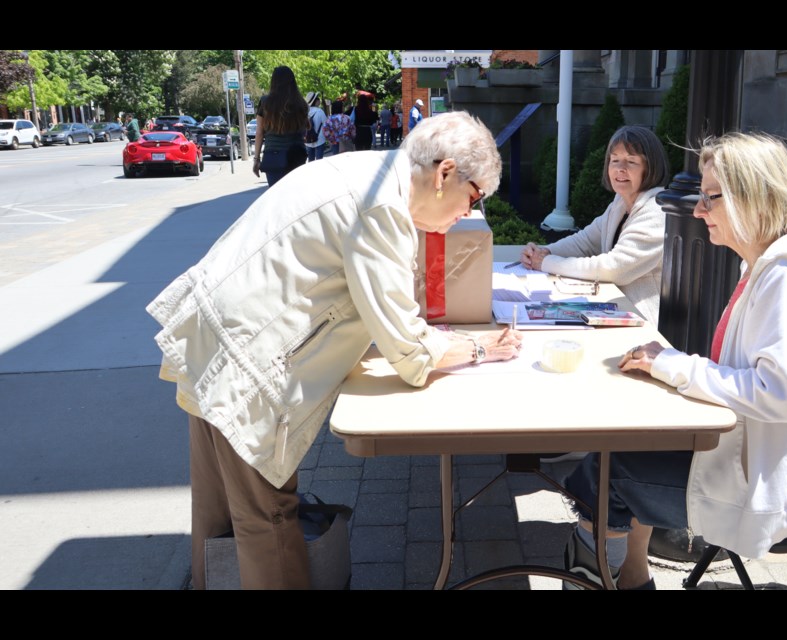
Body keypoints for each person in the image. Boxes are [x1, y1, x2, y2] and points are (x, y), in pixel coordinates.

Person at [146, 111, 521, 590]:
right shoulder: (383, 205)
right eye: (473, 198)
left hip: (213, 340)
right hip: (247, 363)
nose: (467, 214)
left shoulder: (367, 170)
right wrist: (477, 348)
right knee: (268, 519)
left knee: (220, 507)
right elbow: (409, 352)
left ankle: (206, 583)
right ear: (445, 173)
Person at [561, 131, 787, 590]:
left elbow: (775, 395)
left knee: (603, 472)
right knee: (629, 445)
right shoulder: (766, 267)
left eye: (710, 198)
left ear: (753, 199)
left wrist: (674, 365)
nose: (697, 211)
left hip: (776, 488)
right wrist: (670, 361)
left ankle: (593, 580)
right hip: (755, 456)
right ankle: (632, 579)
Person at [520, 126, 669, 323]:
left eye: (631, 161)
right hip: (612, 308)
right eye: (614, 160)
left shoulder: (656, 210)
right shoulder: (620, 202)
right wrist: (544, 251)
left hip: (641, 321)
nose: (620, 168)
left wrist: (547, 263)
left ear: (650, 168)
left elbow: (615, 268)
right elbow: (585, 241)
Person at [253, 66, 308, 187]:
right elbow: (304, 130)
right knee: (295, 197)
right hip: (296, 156)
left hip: (274, 157)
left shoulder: (265, 102)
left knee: (276, 198)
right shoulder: (300, 103)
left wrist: (256, 159)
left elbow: (259, 132)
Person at [304, 91, 327, 162]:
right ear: (315, 101)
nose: (319, 100)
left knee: (310, 161)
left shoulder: (304, 112)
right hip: (319, 140)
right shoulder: (320, 111)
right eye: (318, 99)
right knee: (319, 162)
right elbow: (326, 124)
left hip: (308, 140)